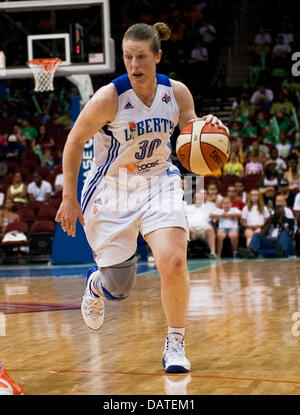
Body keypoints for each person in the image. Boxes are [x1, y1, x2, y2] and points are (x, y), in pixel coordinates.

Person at [55, 22, 228, 374]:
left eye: (142, 57)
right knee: (119, 289)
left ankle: (175, 344)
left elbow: (190, 128)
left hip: (159, 181)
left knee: (174, 262)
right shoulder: (108, 98)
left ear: (158, 57)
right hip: (113, 189)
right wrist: (68, 198)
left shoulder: (176, 93)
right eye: (128, 57)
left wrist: (206, 126)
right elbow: (73, 142)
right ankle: (96, 282)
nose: (134, 65)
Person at [186, 189, 217, 259]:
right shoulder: (187, 208)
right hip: (191, 228)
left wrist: (215, 219)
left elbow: (216, 215)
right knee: (187, 231)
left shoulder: (209, 207)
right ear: (193, 199)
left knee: (210, 230)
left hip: (204, 228)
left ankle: (212, 253)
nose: (198, 199)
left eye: (200, 198)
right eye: (196, 198)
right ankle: (183, 253)